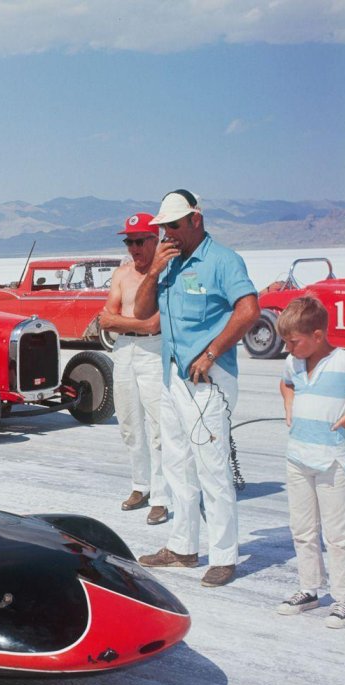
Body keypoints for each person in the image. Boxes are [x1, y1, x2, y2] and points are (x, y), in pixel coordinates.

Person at [134, 189, 259, 587]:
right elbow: (141, 312)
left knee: (212, 466)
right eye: (162, 227)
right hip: (173, 377)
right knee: (176, 463)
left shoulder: (222, 260)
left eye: (173, 225)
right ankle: (183, 546)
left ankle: (224, 554)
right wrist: (152, 271)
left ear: (195, 220)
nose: (166, 233)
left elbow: (249, 310)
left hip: (208, 379)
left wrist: (212, 352)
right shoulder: (168, 263)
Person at [275, 297, 345, 628]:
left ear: (319, 335)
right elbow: (285, 383)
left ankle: (343, 599)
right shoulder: (294, 362)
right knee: (303, 530)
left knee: (337, 534)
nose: (289, 348)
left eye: (294, 341)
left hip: (331, 462)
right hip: (297, 458)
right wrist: (289, 404)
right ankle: (309, 589)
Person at [99, 213, 169, 525]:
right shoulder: (122, 274)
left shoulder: (166, 273)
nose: (134, 247)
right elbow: (107, 319)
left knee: (158, 426)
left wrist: (127, 322)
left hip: (153, 349)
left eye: (140, 240)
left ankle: (162, 496)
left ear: (156, 240)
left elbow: (155, 323)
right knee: (129, 422)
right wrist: (137, 323)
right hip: (124, 350)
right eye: (129, 241)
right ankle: (140, 485)